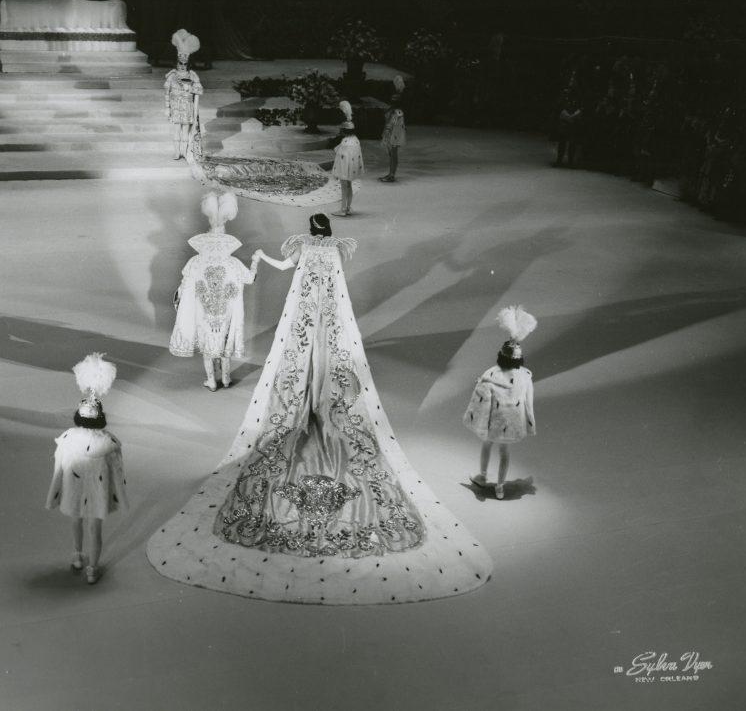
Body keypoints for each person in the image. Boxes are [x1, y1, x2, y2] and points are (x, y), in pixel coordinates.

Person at [146, 214, 493, 604]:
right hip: (329, 318)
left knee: (292, 370)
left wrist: (262, 257)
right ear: (328, 232)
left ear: (312, 232)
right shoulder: (337, 251)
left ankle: (289, 391)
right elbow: (336, 286)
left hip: (302, 316)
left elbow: (284, 267)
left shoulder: (301, 247)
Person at [46, 353, 128, 585]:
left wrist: (54, 494)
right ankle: (92, 569)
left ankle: (77, 556)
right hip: (98, 494)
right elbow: (118, 473)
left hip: (74, 490)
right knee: (95, 529)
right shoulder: (109, 443)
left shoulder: (67, 439)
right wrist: (119, 497)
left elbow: (59, 469)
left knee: (75, 521)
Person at [169, 191, 260, 390]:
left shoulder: (195, 261)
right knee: (224, 343)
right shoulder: (233, 262)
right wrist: (255, 262)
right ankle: (226, 379)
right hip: (225, 312)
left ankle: (211, 380)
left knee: (208, 345)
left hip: (205, 312)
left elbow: (184, 286)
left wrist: (179, 300)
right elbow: (250, 279)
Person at [463, 306, 537, 500]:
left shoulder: (491, 374)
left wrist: (479, 385)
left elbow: (482, 397)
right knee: (504, 452)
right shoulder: (526, 376)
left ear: (500, 357)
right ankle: (500, 487)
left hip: (493, 422)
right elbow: (528, 402)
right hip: (512, 424)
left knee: (487, 445)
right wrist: (530, 423)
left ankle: (482, 476)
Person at [164, 29, 203, 161]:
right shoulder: (172, 75)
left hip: (187, 106)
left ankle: (184, 152)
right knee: (176, 130)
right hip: (176, 106)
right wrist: (167, 108)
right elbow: (166, 92)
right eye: (180, 63)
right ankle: (176, 152)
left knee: (186, 130)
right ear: (176, 62)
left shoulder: (192, 75)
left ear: (188, 64)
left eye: (184, 64)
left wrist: (191, 88)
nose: (182, 65)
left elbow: (200, 90)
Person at [331, 101, 364, 217]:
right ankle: (348, 207)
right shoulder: (355, 140)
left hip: (345, 170)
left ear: (344, 131)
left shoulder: (345, 143)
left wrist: (338, 173)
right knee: (349, 187)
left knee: (344, 188)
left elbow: (341, 159)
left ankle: (343, 209)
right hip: (351, 170)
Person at [380, 76, 406, 182]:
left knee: (393, 154)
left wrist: (387, 135)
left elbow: (391, 125)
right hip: (393, 134)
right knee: (392, 154)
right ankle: (391, 174)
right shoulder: (395, 111)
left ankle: (391, 175)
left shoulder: (397, 113)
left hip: (394, 134)